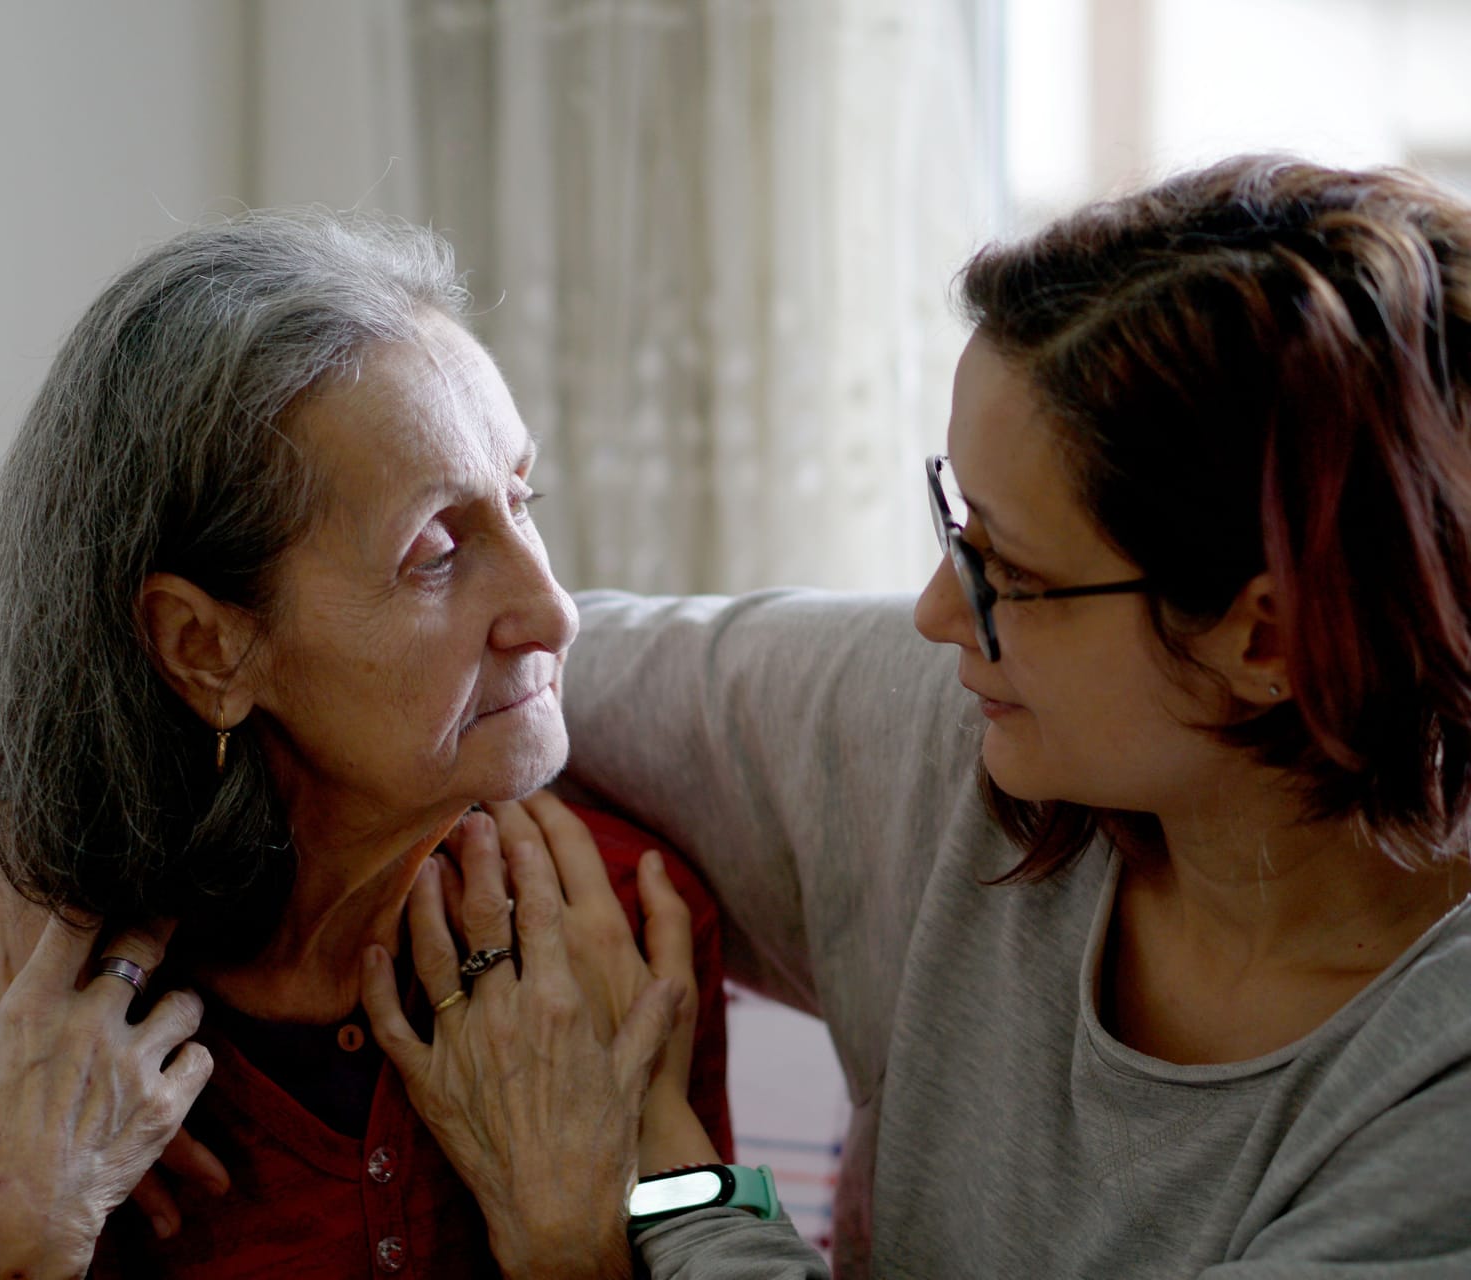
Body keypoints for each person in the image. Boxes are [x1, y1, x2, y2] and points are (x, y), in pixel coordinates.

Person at [377, 155, 1471, 1277]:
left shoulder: (1438, 1101)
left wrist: (655, 1153)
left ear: (1266, 638)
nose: (940, 609)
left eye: (1011, 568)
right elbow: (495, 666)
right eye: (956, 520)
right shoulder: (961, 729)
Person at [0, 208, 733, 1279]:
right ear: (208, 648)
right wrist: (6, 1256)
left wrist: (577, 1249)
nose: (555, 610)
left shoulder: (619, 932)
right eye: (436, 549)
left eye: (523, 498)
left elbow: (708, 1226)